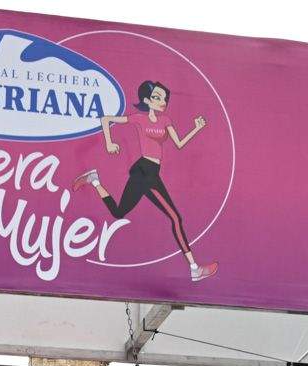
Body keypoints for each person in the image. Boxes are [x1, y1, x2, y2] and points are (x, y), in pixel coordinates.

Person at [73, 79, 218, 282]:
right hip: (145, 171)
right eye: (157, 98)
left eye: (164, 99)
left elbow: (179, 144)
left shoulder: (165, 120)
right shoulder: (138, 119)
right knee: (175, 218)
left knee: (118, 212)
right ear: (147, 100)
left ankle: (95, 180)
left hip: (150, 172)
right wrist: (109, 143)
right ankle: (194, 268)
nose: (162, 102)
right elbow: (106, 119)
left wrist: (196, 128)